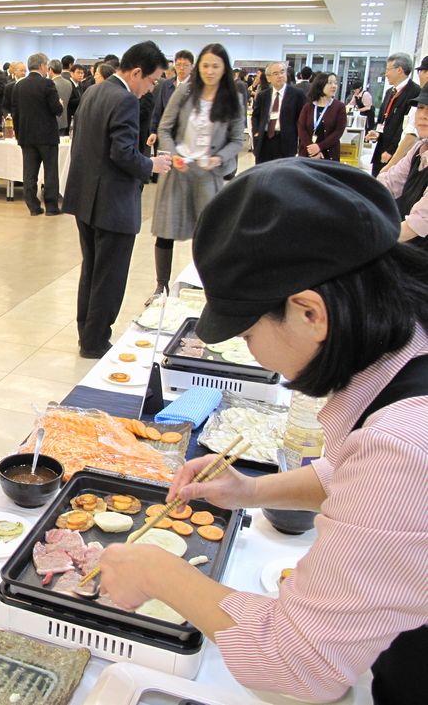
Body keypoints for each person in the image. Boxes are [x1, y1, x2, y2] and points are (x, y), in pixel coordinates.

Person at [99, 158, 428, 705]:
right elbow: (359, 476)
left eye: (249, 334)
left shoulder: (404, 440)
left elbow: (298, 663)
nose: (253, 354)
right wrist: (251, 490)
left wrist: (156, 573)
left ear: (310, 313)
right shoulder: (405, 330)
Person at [63, 41, 172, 359]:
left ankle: (88, 334)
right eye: (152, 81)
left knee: (92, 270)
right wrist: (152, 164)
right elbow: (122, 153)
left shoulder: (95, 90)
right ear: (136, 72)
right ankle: (95, 341)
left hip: (86, 198)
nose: (151, 89)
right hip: (111, 203)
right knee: (109, 276)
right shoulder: (124, 99)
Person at [149, 43, 244, 297]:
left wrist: (218, 158)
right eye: (205, 66)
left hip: (208, 173)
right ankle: (161, 286)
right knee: (166, 229)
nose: (210, 71)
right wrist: (173, 153)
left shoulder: (233, 99)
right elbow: (164, 128)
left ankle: (206, 285)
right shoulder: (185, 92)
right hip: (178, 170)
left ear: (224, 68)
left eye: (215, 66)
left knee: (207, 234)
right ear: (197, 67)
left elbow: (237, 140)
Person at [377, 83, 428, 249]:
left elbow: (417, 224)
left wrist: (372, 236)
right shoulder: (419, 149)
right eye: (421, 107)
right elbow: (389, 183)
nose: (423, 115)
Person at [12, 52, 63, 216]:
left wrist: (19, 135)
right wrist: (60, 104)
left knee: (29, 173)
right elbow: (56, 109)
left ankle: (33, 206)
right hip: (47, 136)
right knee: (50, 173)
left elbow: (15, 113)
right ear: (42, 66)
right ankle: (51, 206)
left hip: (26, 136)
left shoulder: (19, 85)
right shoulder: (47, 84)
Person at [366, 52, 419, 176]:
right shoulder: (390, 92)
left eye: (388, 69)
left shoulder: (414, 93)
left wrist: (391, 151)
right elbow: (383, 118)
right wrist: (376, 132)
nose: (386, 74)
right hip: (381, 147)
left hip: (396, 153)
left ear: (399, 70)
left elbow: (406, 127)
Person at [251, 61, 305, 163]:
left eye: (282, 72)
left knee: (282, 175)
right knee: (263, 173)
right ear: (268, 78)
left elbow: (302, 120)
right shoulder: (263, 95)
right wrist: (256, 132)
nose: (280, 76)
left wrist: (301, 144)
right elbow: (255, 116)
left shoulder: (297, 94)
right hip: (264, 140)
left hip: (285, 141)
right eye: (275, 73)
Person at [146, 49, 193, 150]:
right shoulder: (166, 85)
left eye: (185, 65)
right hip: (167, 135)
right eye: (179, 64)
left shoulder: (196, 87)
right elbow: (158, 110)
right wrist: (153, 131)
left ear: (192, 67)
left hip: (187, 136)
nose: (181, 68)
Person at [297, 72, 346, 161]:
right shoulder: (308, 106)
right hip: (307, 153)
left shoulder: (339, 107)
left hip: (329, 154)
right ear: (320, 84)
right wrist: (312, 149)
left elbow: (338, 132)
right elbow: (301, 128)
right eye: (330, 83)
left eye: (335, 83)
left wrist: (319, 147)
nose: (334, 86)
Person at [49, 59, 74, 135]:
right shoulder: (68, 83)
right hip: (64, 120)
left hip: (52, 121)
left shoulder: (50, 84)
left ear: (50, 70)